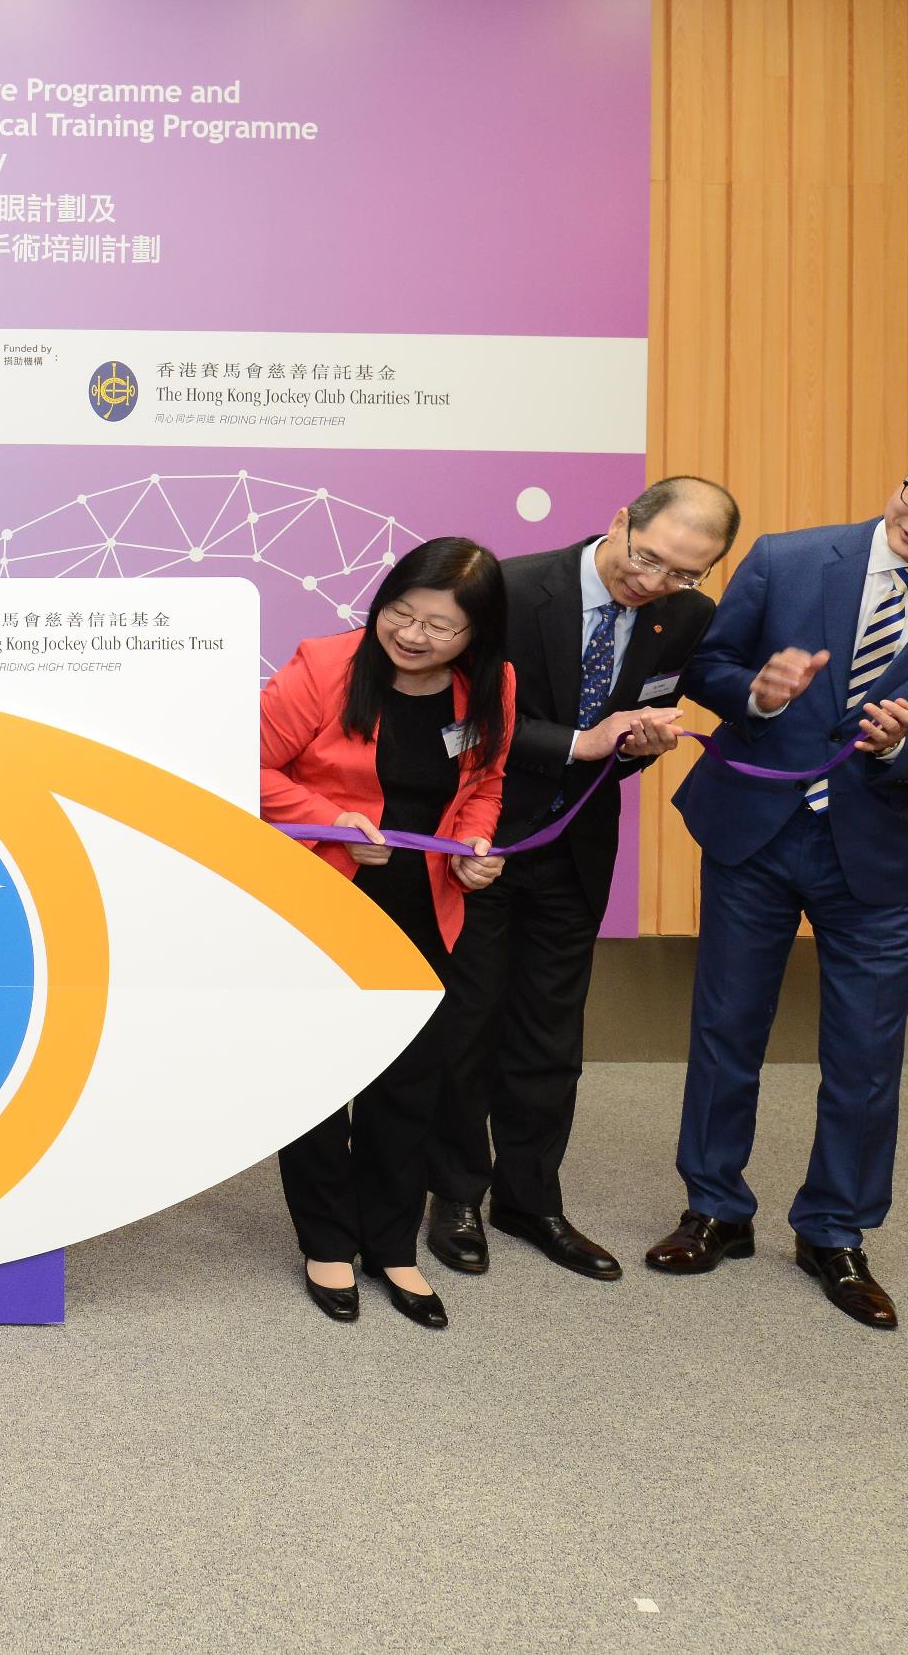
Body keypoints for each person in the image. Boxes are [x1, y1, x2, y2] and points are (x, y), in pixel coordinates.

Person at [650, 413, 908, 1330]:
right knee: (727, 1027)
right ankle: (714, 1207)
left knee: (865, 1055)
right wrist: (756, 692)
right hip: (756, 831)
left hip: (880, 853)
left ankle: (835, 1229)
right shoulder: (793, 558)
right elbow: (709, 665)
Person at [424, 479, 737, 1282]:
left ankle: (531, 1198)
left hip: (577, 849)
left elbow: (644, 715)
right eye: (647, 557)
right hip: (480, 838)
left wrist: (637, 741)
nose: (655, 581)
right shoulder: (511, 589)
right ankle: (454, 1193)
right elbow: (457, 722)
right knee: (468, 1026)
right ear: (619, 521)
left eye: (682, 574)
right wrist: (582, 743)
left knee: (551, 1033)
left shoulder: (688, 620)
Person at [258, 537, 513, 1331]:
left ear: (477, 635)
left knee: (410, 1080)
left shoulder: (490, 685)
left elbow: (484, 782)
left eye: (440, 625)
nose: (412, 634)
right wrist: (331, 821)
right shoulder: (324, 667)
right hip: (325, 900)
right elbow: (244, 765)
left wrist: (476, 847)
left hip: (423, 905)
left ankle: (391, 1242)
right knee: (320, 1077)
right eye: (402, 612)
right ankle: (328, 1239)